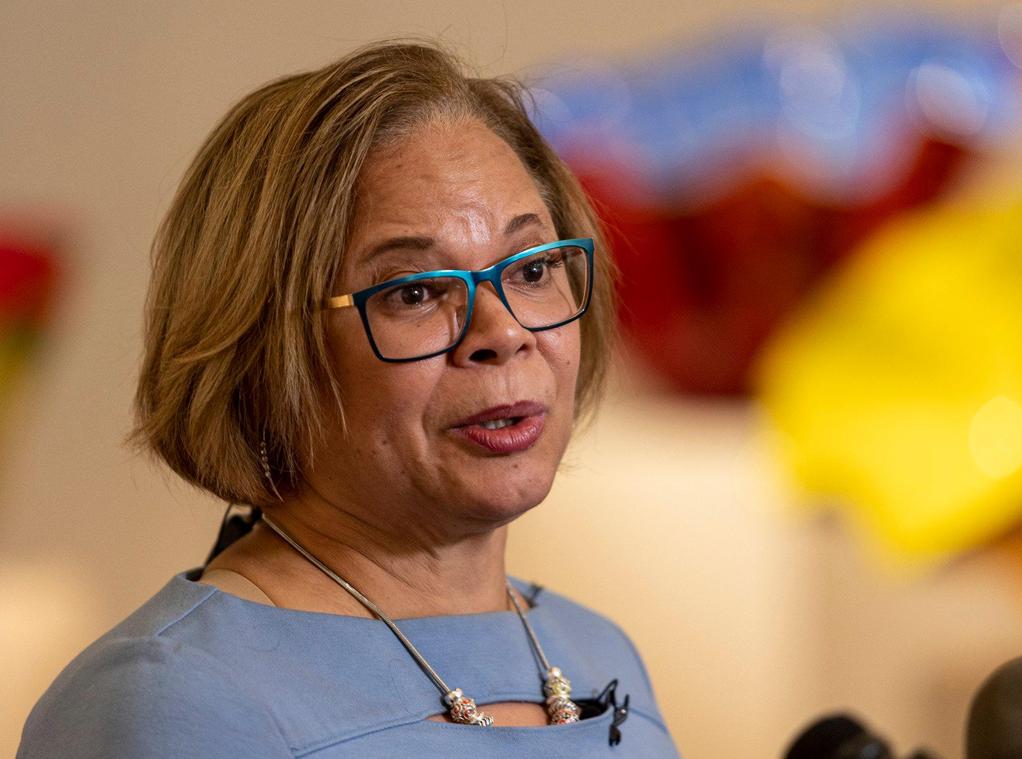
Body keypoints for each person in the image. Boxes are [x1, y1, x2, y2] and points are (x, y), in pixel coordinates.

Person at [18, 41, 679, 757]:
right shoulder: (171, 701)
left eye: (534, 267)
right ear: (267, 349)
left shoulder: (600, 653)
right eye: (415, 291)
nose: (505, 331)